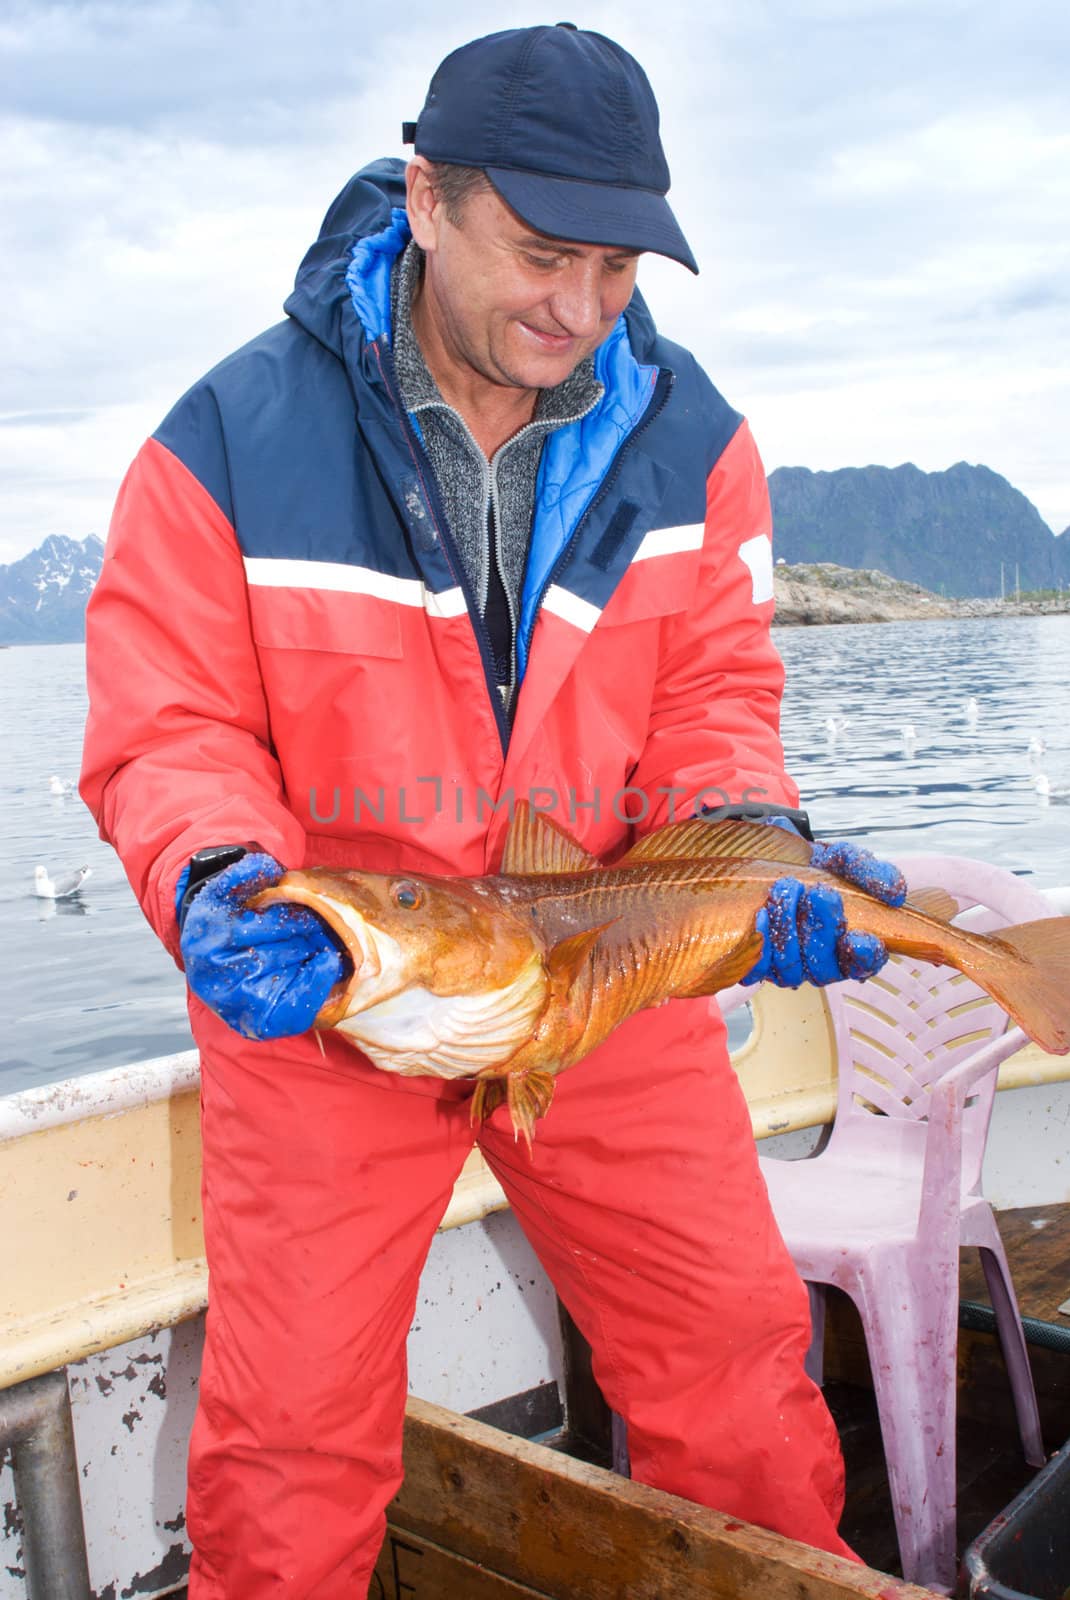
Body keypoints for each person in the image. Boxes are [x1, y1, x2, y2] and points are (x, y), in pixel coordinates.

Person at [81, 24, 906, 1597]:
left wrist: (753, 844)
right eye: (541, 253)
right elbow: (169, 722)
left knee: (736, 1374)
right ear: (426, 198)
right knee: (291, 1440)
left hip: (603, 968)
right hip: (347, 994)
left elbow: (717, 699)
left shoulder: (697, 442)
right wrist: (216, 873)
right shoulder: (225, 441)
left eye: (615, 268)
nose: (578, 308)